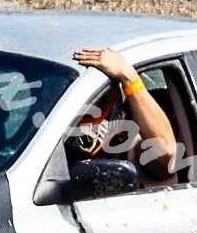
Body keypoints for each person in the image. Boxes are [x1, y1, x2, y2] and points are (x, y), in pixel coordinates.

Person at [71, 48, 180, 188]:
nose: (86, 106)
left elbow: (166, 153)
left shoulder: (127, 144)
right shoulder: (49, 127)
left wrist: (129, 78)